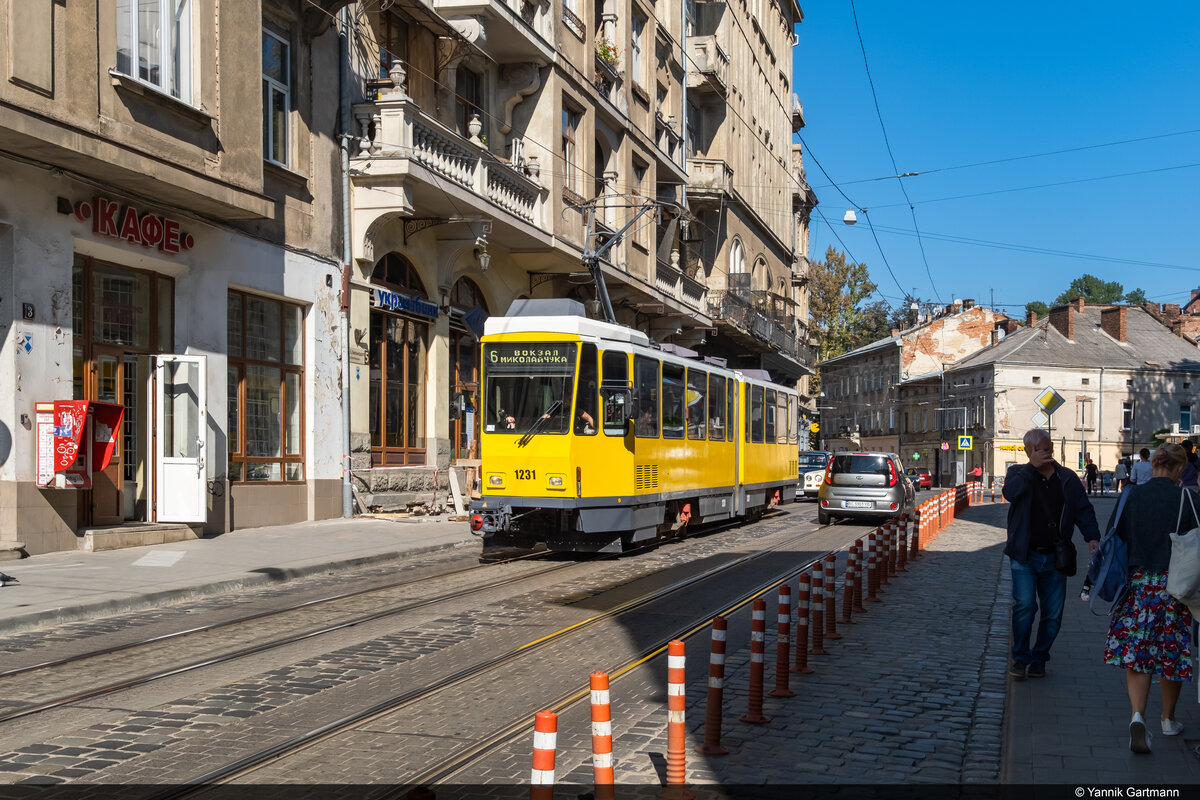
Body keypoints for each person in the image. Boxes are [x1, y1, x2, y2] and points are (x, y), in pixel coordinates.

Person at [1103, 443, 1197, 754]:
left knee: (1138, 652)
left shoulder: (1132, 496)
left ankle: (1137, 715)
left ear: (1153, 464)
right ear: (1180, 468)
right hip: (1176, 589)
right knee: (1171, 654)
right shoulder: (1188, 498)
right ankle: (1168, 720)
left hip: (1138, 585)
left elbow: (1113, 537)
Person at [1002, 428, 1101, 680]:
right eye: (1039, 449)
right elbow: (1010, 493)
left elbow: (1083, 509)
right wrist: (1030, 468)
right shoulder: (1018, 474)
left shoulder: (1066, 478)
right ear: (1028, 451)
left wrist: (1092, 536)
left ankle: (1039, 658)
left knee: (1053, 614)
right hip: (1024, 555)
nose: (1045, 452)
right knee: (1024, 606)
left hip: (1056, 557)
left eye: (1048, 448)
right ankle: (1020, 658)